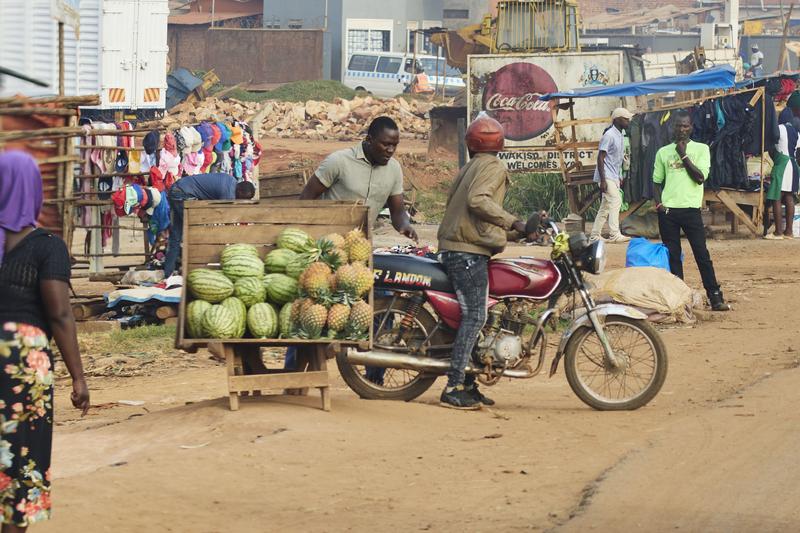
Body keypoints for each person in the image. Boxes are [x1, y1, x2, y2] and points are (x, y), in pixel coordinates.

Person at [287, 117, 418, 380]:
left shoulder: (394, 169)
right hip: (328, 254)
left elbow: (397, 211)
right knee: (312, 310)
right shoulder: (339, 161)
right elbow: (306, 199)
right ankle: (293, 376)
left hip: (359, 254)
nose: (390, 151)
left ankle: (374, 380)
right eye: (385, 145)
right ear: (369, 140)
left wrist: (405, 226)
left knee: (379, 308)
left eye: (395, 145)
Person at [0, 151, 90, 531]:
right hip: (22, 360)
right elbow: (59, 314)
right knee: (23, 457)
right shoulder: (46, 245)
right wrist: (79, 377)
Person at [436, 113, 528, 410]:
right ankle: (453, 386)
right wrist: (514, 222)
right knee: (475, 316)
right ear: (500, 142)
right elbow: (479, 201)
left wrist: (518, 232)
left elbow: (474, 216)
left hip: (461, 247)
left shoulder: (470, 167)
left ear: (471, 144)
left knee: (479, 316)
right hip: (466, 252)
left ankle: (469, 382)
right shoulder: (493, 166)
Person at [652, 110, 730, 311]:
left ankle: (715, 296)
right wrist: (660, 205)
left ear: (691, 127)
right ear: (673, 127)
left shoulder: (702, 149)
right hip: (669, 212)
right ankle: (679, 300)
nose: (681, 129)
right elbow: (656, 182)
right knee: (673, 256)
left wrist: (683, 155)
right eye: (678, 125)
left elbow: (699, 177)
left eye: (685, 125)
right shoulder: (663, 152)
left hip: (691, 210)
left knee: (701, 254)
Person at [163, 173, 256, 277]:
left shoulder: (231, 180)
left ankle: (168, 273)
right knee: (198, 233)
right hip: (183, 194)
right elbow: (225, 223)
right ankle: (192, 270)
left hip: (176, 189)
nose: (243, 201)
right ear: (239, 191)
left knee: (176, 235)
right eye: (244, 198)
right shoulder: (228, 195)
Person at [589, 108, 633, 243]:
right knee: (616, 200)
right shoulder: (609, 135)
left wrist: (618, 176)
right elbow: (600, 158)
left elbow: (616, 159)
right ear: (617, 119)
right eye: (626, 119)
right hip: (606, 175)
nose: (628, 121)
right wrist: (603, 180)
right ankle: (614, 234)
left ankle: (595, 236)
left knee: (605, 206)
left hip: (612, 175)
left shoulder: (620, 134)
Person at [765, 120, 799, 239]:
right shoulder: (796, 132)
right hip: (793, 165)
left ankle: (778, 232)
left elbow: (770, 146)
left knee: (777, 197)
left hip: (782, 164)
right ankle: (789, 232)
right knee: (789, 196)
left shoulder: (778, 128)